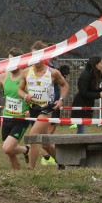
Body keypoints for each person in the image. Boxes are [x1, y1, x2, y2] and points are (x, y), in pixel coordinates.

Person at [18, 42, 68, 170]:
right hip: (33, 109)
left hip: (46, 110)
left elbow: (64, 85)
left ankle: (31, 169)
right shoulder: (26, 72)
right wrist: (25, 96)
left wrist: (61, 99)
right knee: (45, 144)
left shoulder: (53, 73)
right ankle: (63, 163)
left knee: (33, 136)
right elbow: (20, 90)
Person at [0, 47, 30, 171]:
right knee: (9, 152)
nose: (10, 64)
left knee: (7, 148)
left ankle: (26, 150)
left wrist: (31, 110)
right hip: (7, 117)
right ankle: (18, 176)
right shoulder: (3, 76)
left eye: (13, 61)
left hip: (21, 118)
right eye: (9, 61)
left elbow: (35, 96)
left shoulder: (26, 77)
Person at [72, 56, 102, 135]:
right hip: (81, 105)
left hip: (87, 105)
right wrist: (99, 95)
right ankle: (80, 146)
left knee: (82, 131)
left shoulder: (96, 75)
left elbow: (92, 89)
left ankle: (80, 145)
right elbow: (83, 92)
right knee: (82, 131)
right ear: (95, 64)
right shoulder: (85, 75)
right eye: (101, 63)